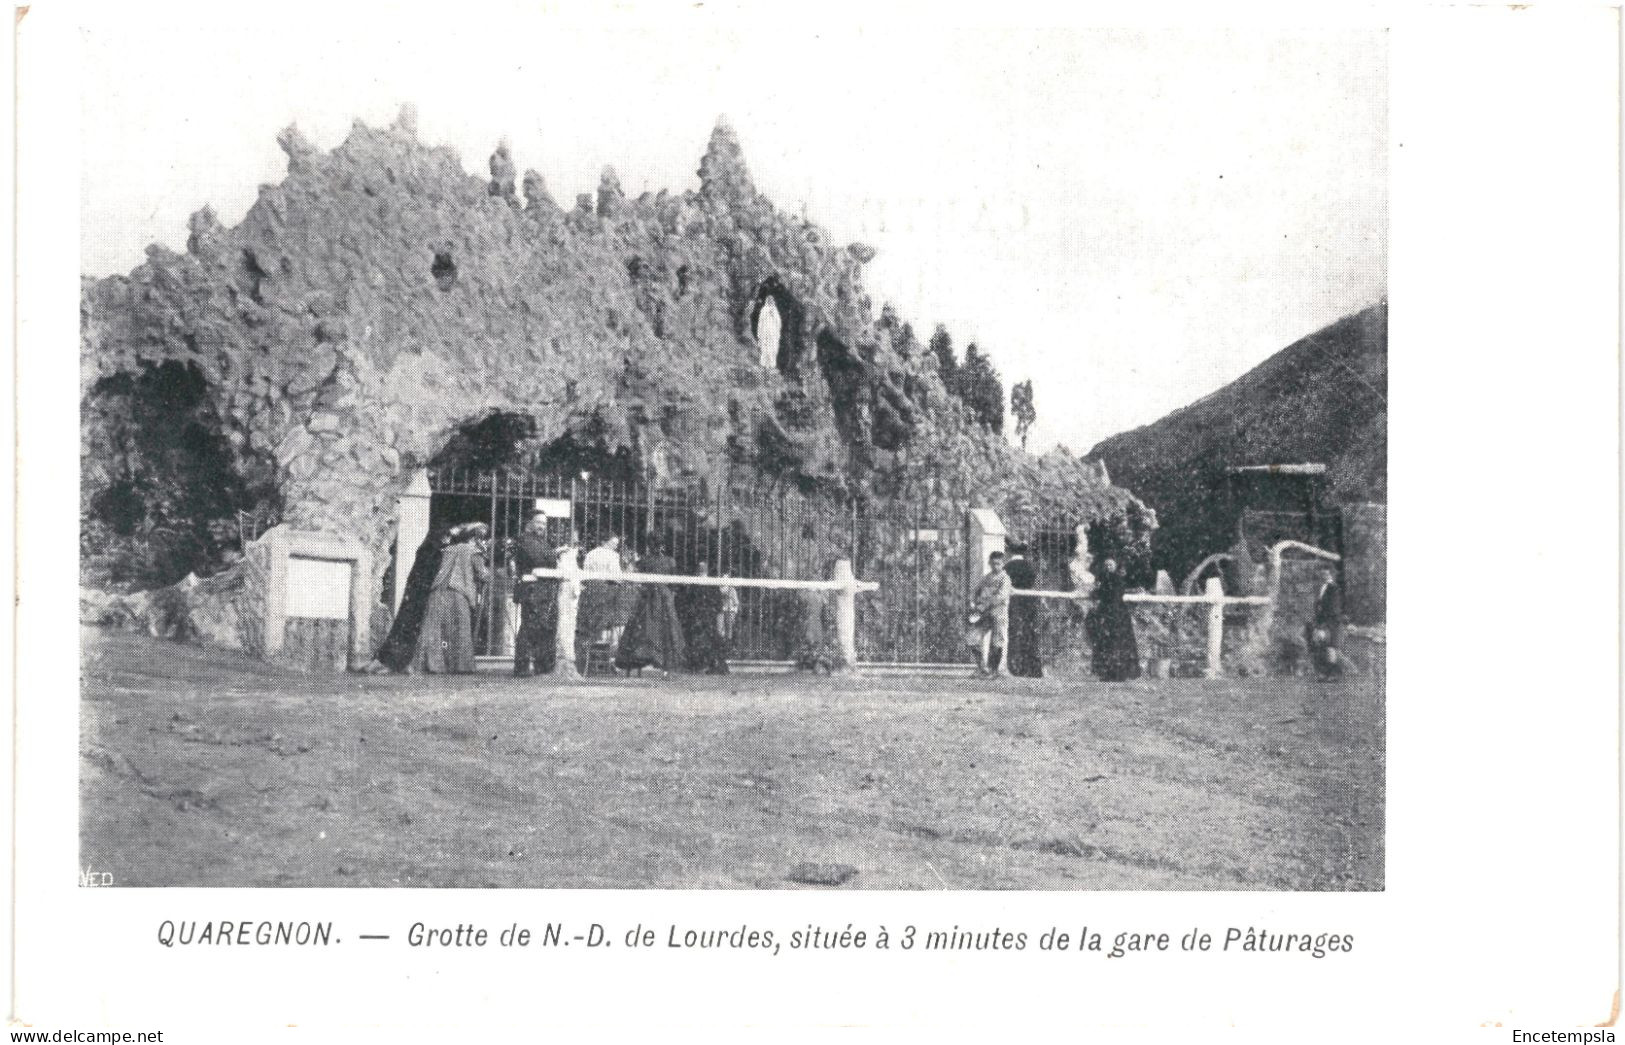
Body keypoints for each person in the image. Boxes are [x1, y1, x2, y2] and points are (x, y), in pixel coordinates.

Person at [413, 523, 488, 674]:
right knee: (459, 629)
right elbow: (483, 574)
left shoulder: (446, 550)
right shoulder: (474, 552)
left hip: (437, 591)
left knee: (437, 629)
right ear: (475, 537)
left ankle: (434, 665)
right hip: (458, 593)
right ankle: (460, 666)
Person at [374, 525, 451, 672]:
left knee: (402, 625)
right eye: (446, 536)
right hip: (422, 595)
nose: (448, 540)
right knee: (410, 629)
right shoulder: (436, 554)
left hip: (412, 593)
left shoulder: (424, 550)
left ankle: (387, 660)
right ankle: (397, 663)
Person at [614, 540, 686, 674]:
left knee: (644, 627)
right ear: (663, 546)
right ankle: (667, 666)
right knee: (668, 629)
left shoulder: (645, 561)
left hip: (648, 597)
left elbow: (635, 575)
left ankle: (636, 661)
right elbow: (674, 583)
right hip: (664, 597)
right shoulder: (670, 561)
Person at [510, 510, 559, 677]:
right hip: (532, 589)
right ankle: (522, 667)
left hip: (545, 589)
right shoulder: (524, 540)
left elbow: (549, 561)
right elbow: (537, 560)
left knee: (545, 627)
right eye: (538, 522)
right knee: (530, 627)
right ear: (529, 523)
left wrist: (554, 554)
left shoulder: (542, 542)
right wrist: (553, 555)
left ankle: (543, 666)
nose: (542, 526)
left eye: (544, 524)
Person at [1087, 556, 1141, 681]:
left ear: (1115, 567)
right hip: (1110, 614)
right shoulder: (1103, 578)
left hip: (1117, 614)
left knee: (1118, 643)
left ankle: (1119, 673)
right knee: (1109, 644)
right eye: (1106, 565)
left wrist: (1096, 593)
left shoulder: (1117, 579)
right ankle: (1109, 673)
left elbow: (1110, 594)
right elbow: (1101, 592)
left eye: (1110, 565)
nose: (1108, 567)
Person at [966, 550, 1012, 676]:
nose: (995, 566)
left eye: (998, 564)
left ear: (1003, 564)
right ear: (989, 563)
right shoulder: (987, 578)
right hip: (984, 614)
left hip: (998, 614)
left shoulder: (1005, 579)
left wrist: (984, 605)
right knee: (972, 639)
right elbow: (975, 591)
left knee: (997, 642)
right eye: (993, 563)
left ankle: (993, 670)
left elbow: (1000, 597)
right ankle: (981, 667)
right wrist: (972, 602)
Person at [679, 562, 729, 674]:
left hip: (698, 620)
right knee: (711, 640)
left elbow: (687, 604)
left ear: (698, 570)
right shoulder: (712, 585)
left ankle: (697, 665)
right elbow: (719, 606)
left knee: (698, 640)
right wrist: (719, 622)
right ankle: (711, 665)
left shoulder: (693, 585)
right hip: (708, 619)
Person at [576, 534, 624, 648]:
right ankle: (603, 644)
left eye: (616, 545)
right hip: (605, 590)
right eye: (613, 544)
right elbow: (616, 576)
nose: (615, 547)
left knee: (590, 621)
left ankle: (589, 645)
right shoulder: (613, 555)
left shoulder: (590, 554)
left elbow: (585, 573)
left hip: (590, 590)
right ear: (604, 542)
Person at [1003, 543, 1043, 678]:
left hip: (1014, 603)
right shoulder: (1030, 567)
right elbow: (1035, 584)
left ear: (1010, 552)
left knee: (1013, 634)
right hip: (1029, 602)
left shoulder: (1007, 567)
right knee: (1029, 634)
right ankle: (1031, 668)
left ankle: (1016, 667)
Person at [1305, 565, 1346, 680]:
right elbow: (1319, 605)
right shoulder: (1321, 587)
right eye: (1322, 574)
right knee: (1324, 646)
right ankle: (1327, 674)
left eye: (1326, 574)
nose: (1323, 576)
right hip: (1323, 620)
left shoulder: (1334, 588)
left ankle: (1333, 674)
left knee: (1331, 646)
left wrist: (1323, 623)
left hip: (1332, 620)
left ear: (1331, 575)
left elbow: (1333, 608)